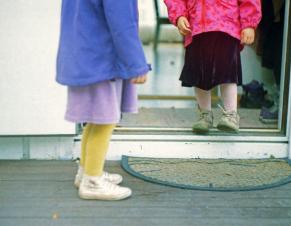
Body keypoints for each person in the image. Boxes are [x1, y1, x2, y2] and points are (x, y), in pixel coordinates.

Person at [56, 0, 150, 200]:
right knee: (105, 121)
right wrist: (137, 64)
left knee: (94, 119)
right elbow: (122, 24)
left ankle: (87, 171)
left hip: (85, 54)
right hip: (101, 58)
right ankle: (92, 181)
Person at [164, 0, 262, 134]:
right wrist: (179, 15)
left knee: (227, 72)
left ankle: (230, 114)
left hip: (227, 25)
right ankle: (205, 115)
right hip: (196, 26)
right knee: (199, 75)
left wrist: (249, 23)